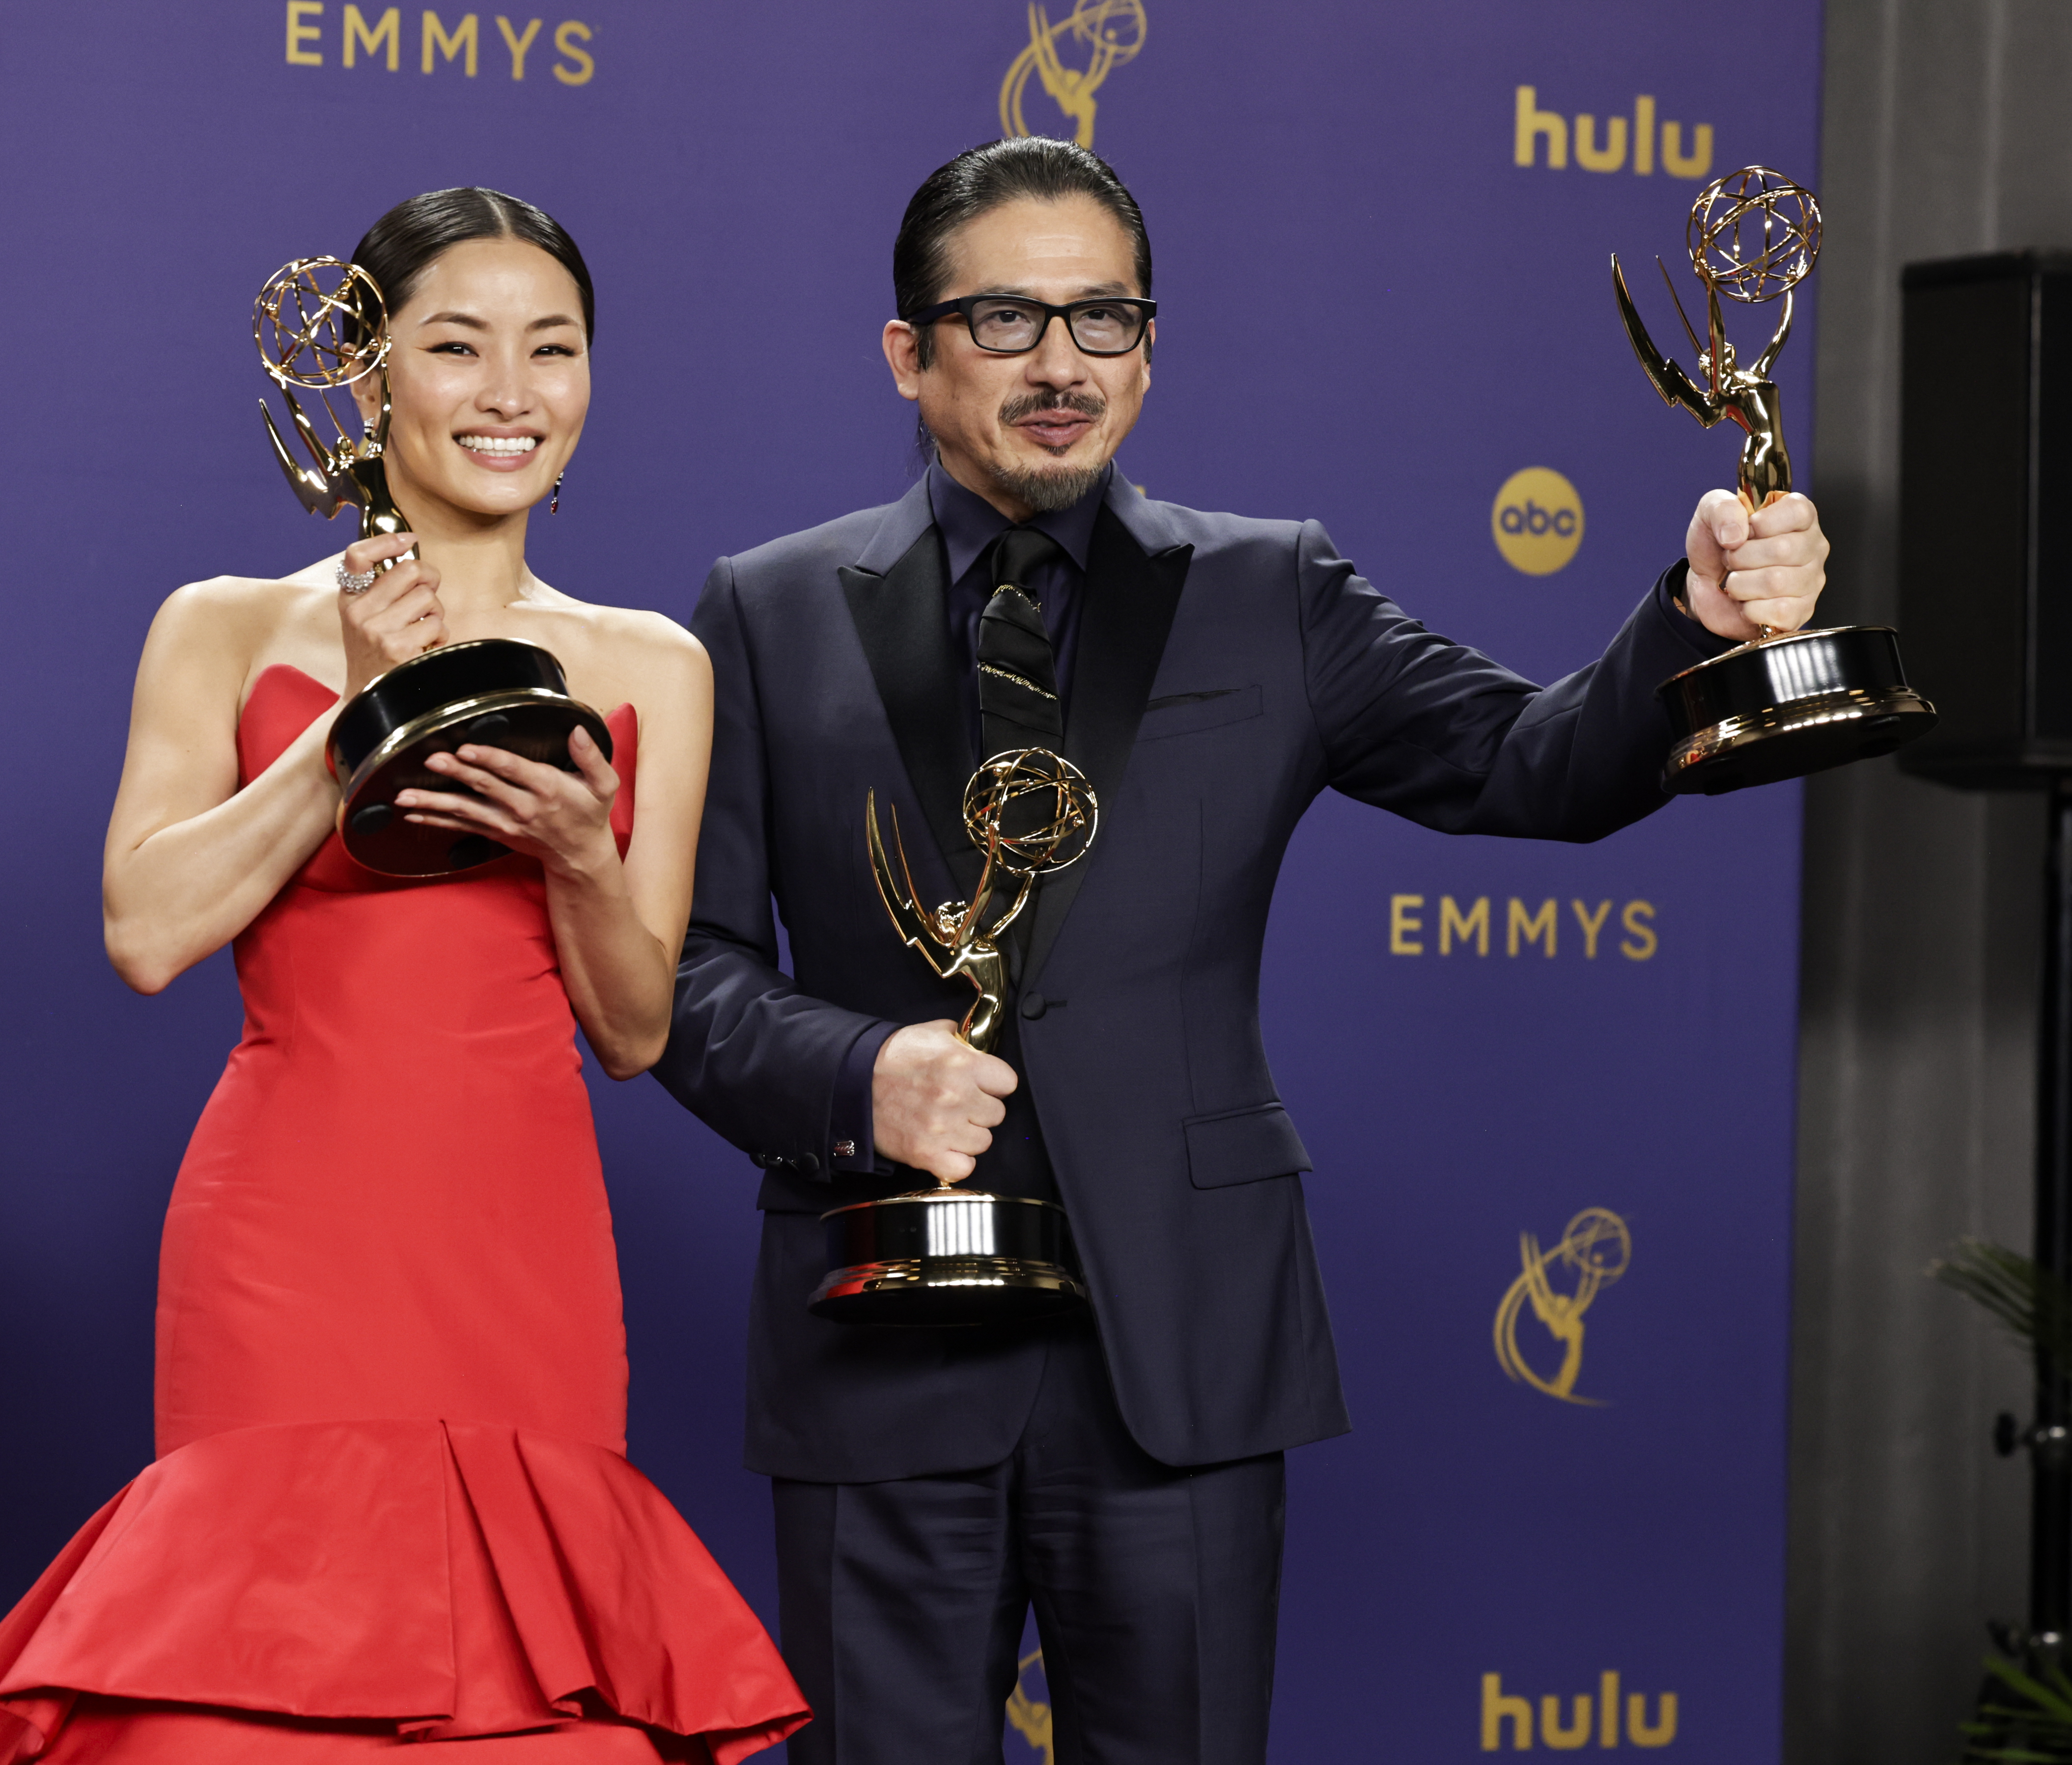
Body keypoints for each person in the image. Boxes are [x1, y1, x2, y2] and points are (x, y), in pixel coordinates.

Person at [651, 138, 1828, 1765]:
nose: (1061, 366)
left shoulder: (1271, 588)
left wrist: (1689, 622)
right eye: (1002, 321)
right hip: (879, 1338)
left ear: (1149, 345)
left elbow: (1532, 763)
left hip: (1184, 1357)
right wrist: (862, 1073)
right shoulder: (763, 610)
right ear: (906, 355)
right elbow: (684, 974)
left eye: (1103, 319)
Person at [0, 187, 808, 1765]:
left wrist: (582, 857)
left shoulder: (650, 665)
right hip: (288, 1236)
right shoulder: (220, 627)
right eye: (456, 346)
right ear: (369, 374)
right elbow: (146, 930)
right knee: (246, 1714)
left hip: (520, 1243)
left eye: (553, 350)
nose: (510, 394)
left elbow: (634, 1028)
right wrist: (355, 723)